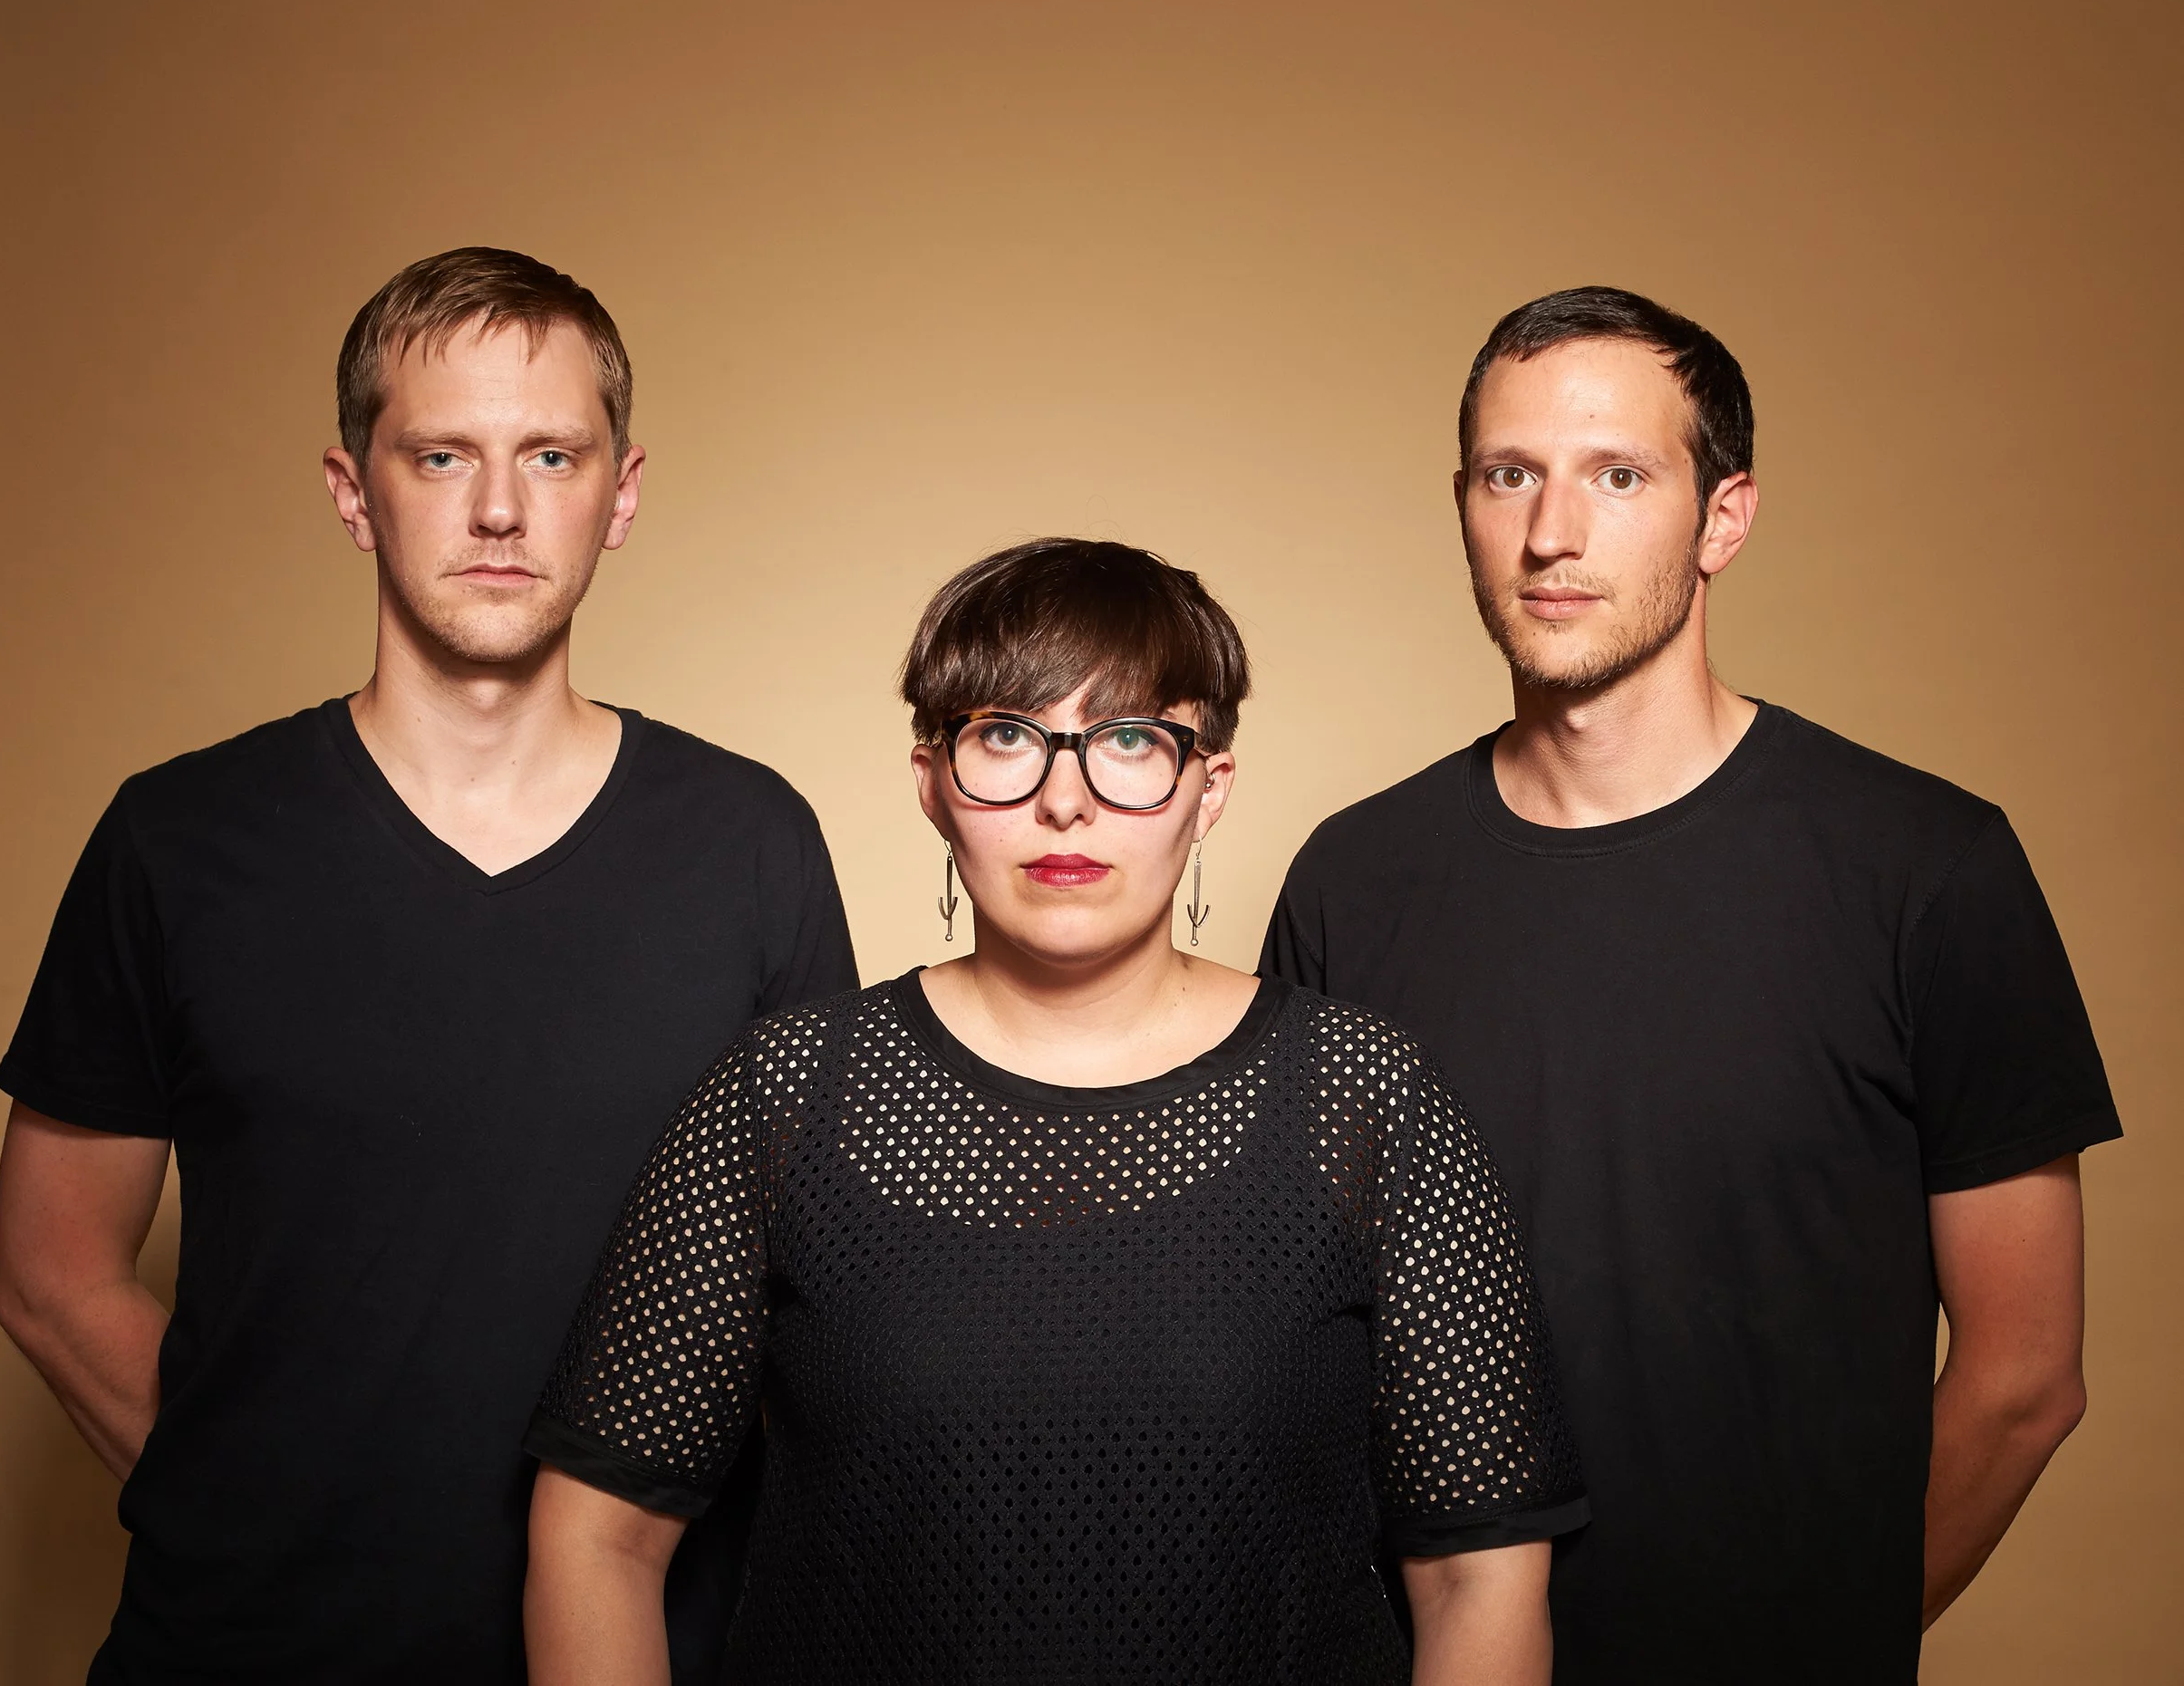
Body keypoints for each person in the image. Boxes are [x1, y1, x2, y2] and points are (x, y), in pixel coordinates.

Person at [0, 246, 855, 1682]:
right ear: (352, 491)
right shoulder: (178, 840)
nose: (501, 508)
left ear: (621, 492)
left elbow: (819, 1295)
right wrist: (247, 1510)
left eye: (552, 455)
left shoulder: (750, 841)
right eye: (441, 453)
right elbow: (49, 1271)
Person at [521, 538, 1589, 1685]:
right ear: (931, 780)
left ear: (1208, 787)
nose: (1064, 801)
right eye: (1007, 739)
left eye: (1131, 741)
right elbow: (597, 1534)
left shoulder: (1368, 1099)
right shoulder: (785, 1094)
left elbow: (1483, 1574)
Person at [1261, 286, 2121, 1682]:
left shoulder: (1928, 866)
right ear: (1464, 502)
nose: (1552, 531)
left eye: (1618, 474)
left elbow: (2027, 1379)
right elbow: (1298, 1354)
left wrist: (1828, 1637)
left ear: (1724, 517)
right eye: (1509, 474)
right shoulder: (1353, 883)